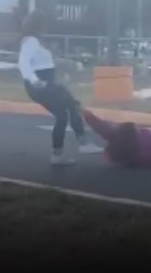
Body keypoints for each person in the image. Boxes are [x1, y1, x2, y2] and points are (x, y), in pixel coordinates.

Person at [18, 11, 102, 165]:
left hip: (44, 83)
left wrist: (71, 64)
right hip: (40, 84)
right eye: (44, 25)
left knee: (62, 115)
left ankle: (57, 155)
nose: (46, 28)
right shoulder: (31, 42)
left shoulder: (36, 42)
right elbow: (23, 63)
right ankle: (83, 143)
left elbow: (49, 62)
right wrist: (35, 80)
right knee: (71, 103)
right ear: (38, 26)